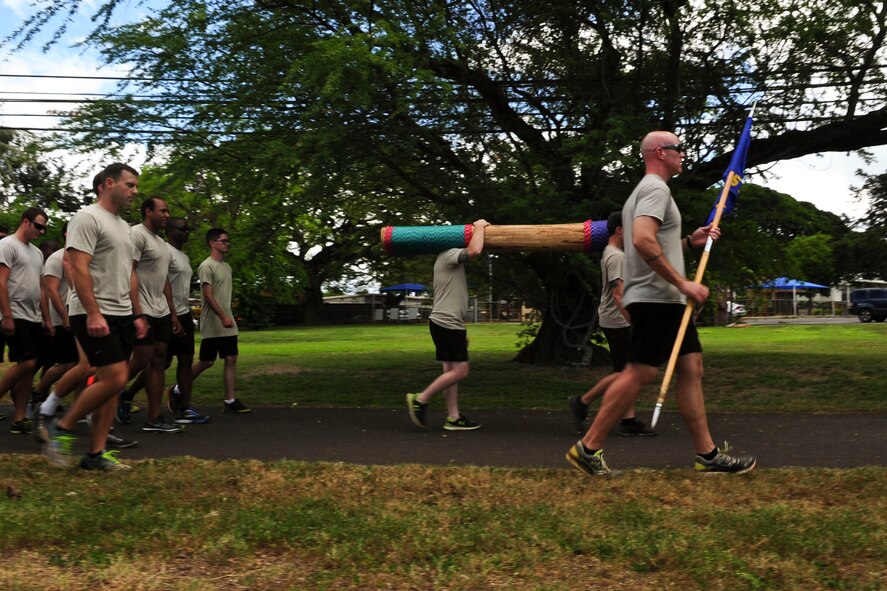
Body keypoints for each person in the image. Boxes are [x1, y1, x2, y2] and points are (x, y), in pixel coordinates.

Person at [566, 131, 756, 476]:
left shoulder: (643, 193)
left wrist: (688, 242)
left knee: (690, 368)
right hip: (657, 298)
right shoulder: (655, 189)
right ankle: (587, 448)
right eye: (678, 148)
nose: (683, 153)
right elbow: (640, 240)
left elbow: (651, 244)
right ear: (659, 152)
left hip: (662, 297)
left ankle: (708, 454)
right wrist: (683, 282)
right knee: (640, 372)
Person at [44, 162, 147, 471]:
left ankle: (95, 454)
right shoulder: (87, 218)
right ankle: (60, 427)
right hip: (93, 313)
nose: (134, 191)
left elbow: (128, 274)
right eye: (129, 185)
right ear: (107, 184)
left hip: (121, 313)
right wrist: (93, 313)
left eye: (135, 186)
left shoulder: (123, 227)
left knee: (111, 385)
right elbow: (77, 267)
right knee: (117, 377)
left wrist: (137, 313)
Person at [567, 211, 655, 436]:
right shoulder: (616, 256)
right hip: (618, 320)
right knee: (627, 372)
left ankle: (628, 421)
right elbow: (618, 294)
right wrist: (633, 321)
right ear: (619, 230)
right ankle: (583, 402)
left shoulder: (613, 253)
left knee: (626, 371)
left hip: (615, 319)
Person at [406, 219, 489, 431]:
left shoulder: (444, 258)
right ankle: (420, 399)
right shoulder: (449, 254)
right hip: (446, 322)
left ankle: (453, 417)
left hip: (447, 323)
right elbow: (475, 251)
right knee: (460, 371)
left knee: (449, 370)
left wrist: (462, 329)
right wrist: (479, 227)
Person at [116, 197, 183, 433]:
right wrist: (137, 311)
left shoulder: (162, 244)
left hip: (161, 310)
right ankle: (109, 393)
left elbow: (164, 279)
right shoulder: (137, 234)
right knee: (142, 357)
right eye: (162, 211)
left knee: (159, 360)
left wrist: (172, 313)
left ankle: (154, 418)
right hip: (141, 307)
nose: (167, 215)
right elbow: (129, 272)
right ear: (148, 211)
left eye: (168, 211)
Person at [184, 227, 249, 413]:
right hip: (214, 321)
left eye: (228, 241)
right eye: (224, 241)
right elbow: (208, 295)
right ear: (213, 243)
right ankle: (179, 388)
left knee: (231, 358)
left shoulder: (226, 267)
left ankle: (230, 400)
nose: (227, 244)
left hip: (227, 320)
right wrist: (222, 316)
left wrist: (228, 315)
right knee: (207, 361)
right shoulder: (207, 266)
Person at [0, 207, 52, 434]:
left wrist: (47, 318)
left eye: (44, 228)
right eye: (38, 226)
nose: (41, 231)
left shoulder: (37, 253)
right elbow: (1, 283)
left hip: (33, 317)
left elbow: (41, 288)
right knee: (28, 363)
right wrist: (7, 315)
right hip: (15, 313)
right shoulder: (7, 245)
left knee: (30, 369)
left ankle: (19, 418)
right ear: (25, 222)